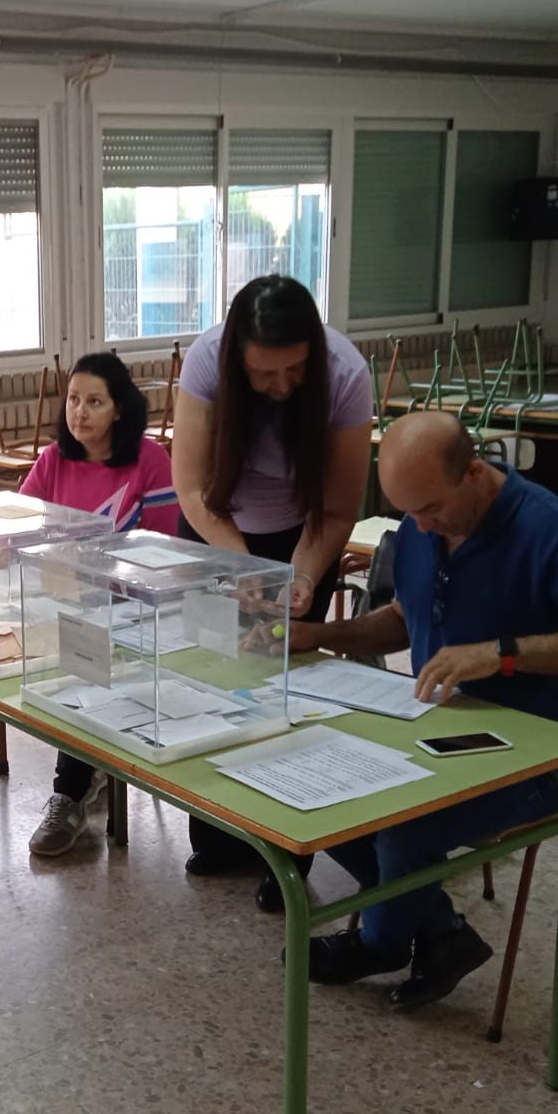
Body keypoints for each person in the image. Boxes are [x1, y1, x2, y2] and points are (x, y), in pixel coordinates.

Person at [281, 411, 558, 1008]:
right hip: (437, 732)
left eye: (431, 508)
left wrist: (502, 654)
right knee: (316, 793)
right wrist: (320, 636)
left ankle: (383, 942)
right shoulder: (421, 525)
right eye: (408, 511)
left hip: (536, 762)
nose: (420, 526)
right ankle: (440, 934)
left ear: (475, 473)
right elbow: (403, 619)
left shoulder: (547, 528)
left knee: (401, 822)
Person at [171, 275, 373, 910]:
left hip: (303, 538)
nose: (282, 385)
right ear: (237, 360)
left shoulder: (345, 374)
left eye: (295, 369)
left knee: (285, 688)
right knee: (211, 677)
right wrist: (241, 568)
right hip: (216, 532)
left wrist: (302, 576)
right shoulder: (206, 362)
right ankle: (222, 832)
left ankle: (286, 852)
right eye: (264, 373)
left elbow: (337, 508)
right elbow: (194, 491)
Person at [19, 351, 179, 857]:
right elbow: (19, 524)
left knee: (85, 660)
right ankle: (87, 771)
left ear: (119, 408)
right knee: (66, 658)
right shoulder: (53, 459)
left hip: (133, 609)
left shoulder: (149, 460)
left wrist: (99, 573)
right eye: (72, 400)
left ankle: (69, 793)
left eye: (94, 402)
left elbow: (165, 550)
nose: (79, 412)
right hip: (64, 603)